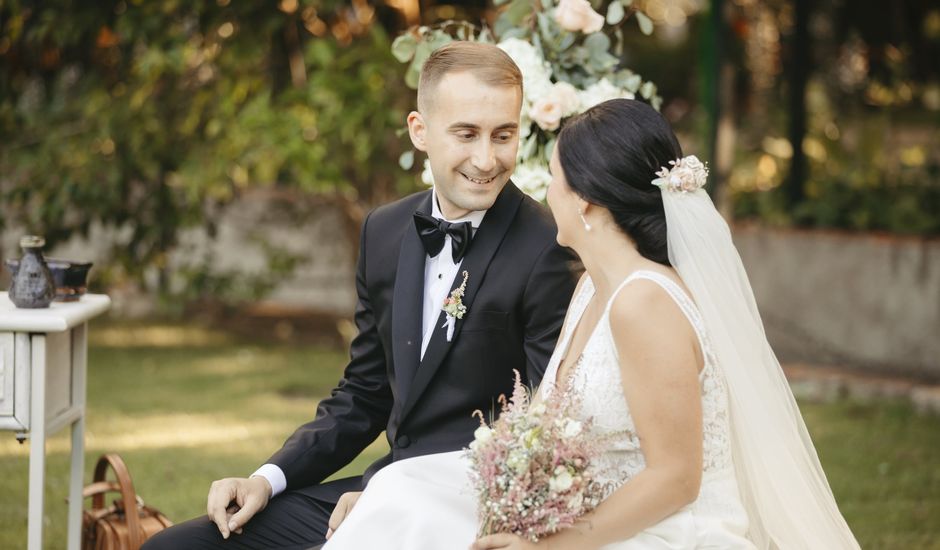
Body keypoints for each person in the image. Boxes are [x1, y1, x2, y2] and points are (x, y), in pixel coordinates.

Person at [320, 99, 861, 549]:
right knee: (402, 491)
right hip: (587, 510)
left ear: (585, 201)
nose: (543, 194)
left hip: (660, 533)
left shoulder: (644, 303)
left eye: (553, 179)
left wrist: (546, 547)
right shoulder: (592, 287)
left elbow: (677, 479)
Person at [142, 41, 577, 550]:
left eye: (503, 135)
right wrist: (266, 478)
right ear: (420, 131)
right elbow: (364, 394)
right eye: (466, 134)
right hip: (378, 489)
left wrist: (382, 490)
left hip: (468, 505)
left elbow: (538, 428)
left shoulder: (547, 247)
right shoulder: (384, 231)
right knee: (175, 547)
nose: (487, 158)